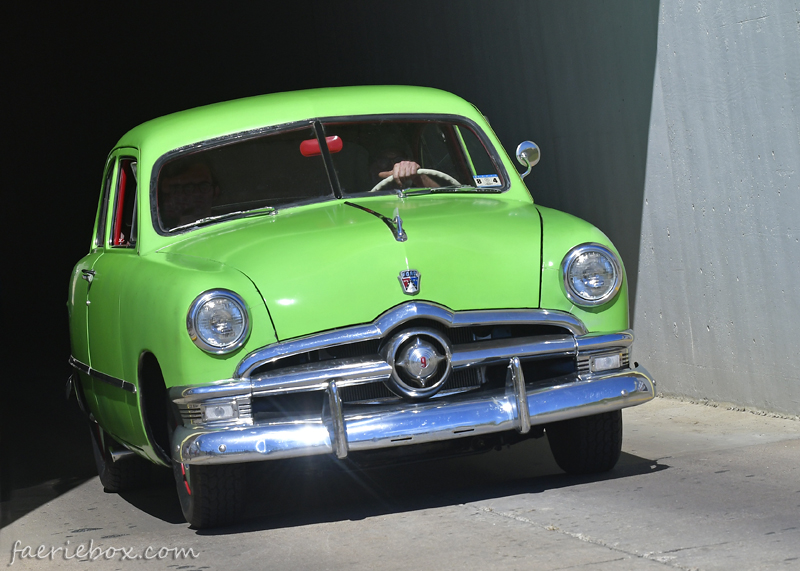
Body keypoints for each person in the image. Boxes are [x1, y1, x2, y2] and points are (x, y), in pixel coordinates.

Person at [158, 161, 218, 229]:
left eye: (204, 186)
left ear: (216, 191)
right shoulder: (164, 233)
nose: (196, 193)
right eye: (189, 187)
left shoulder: (227, 227)